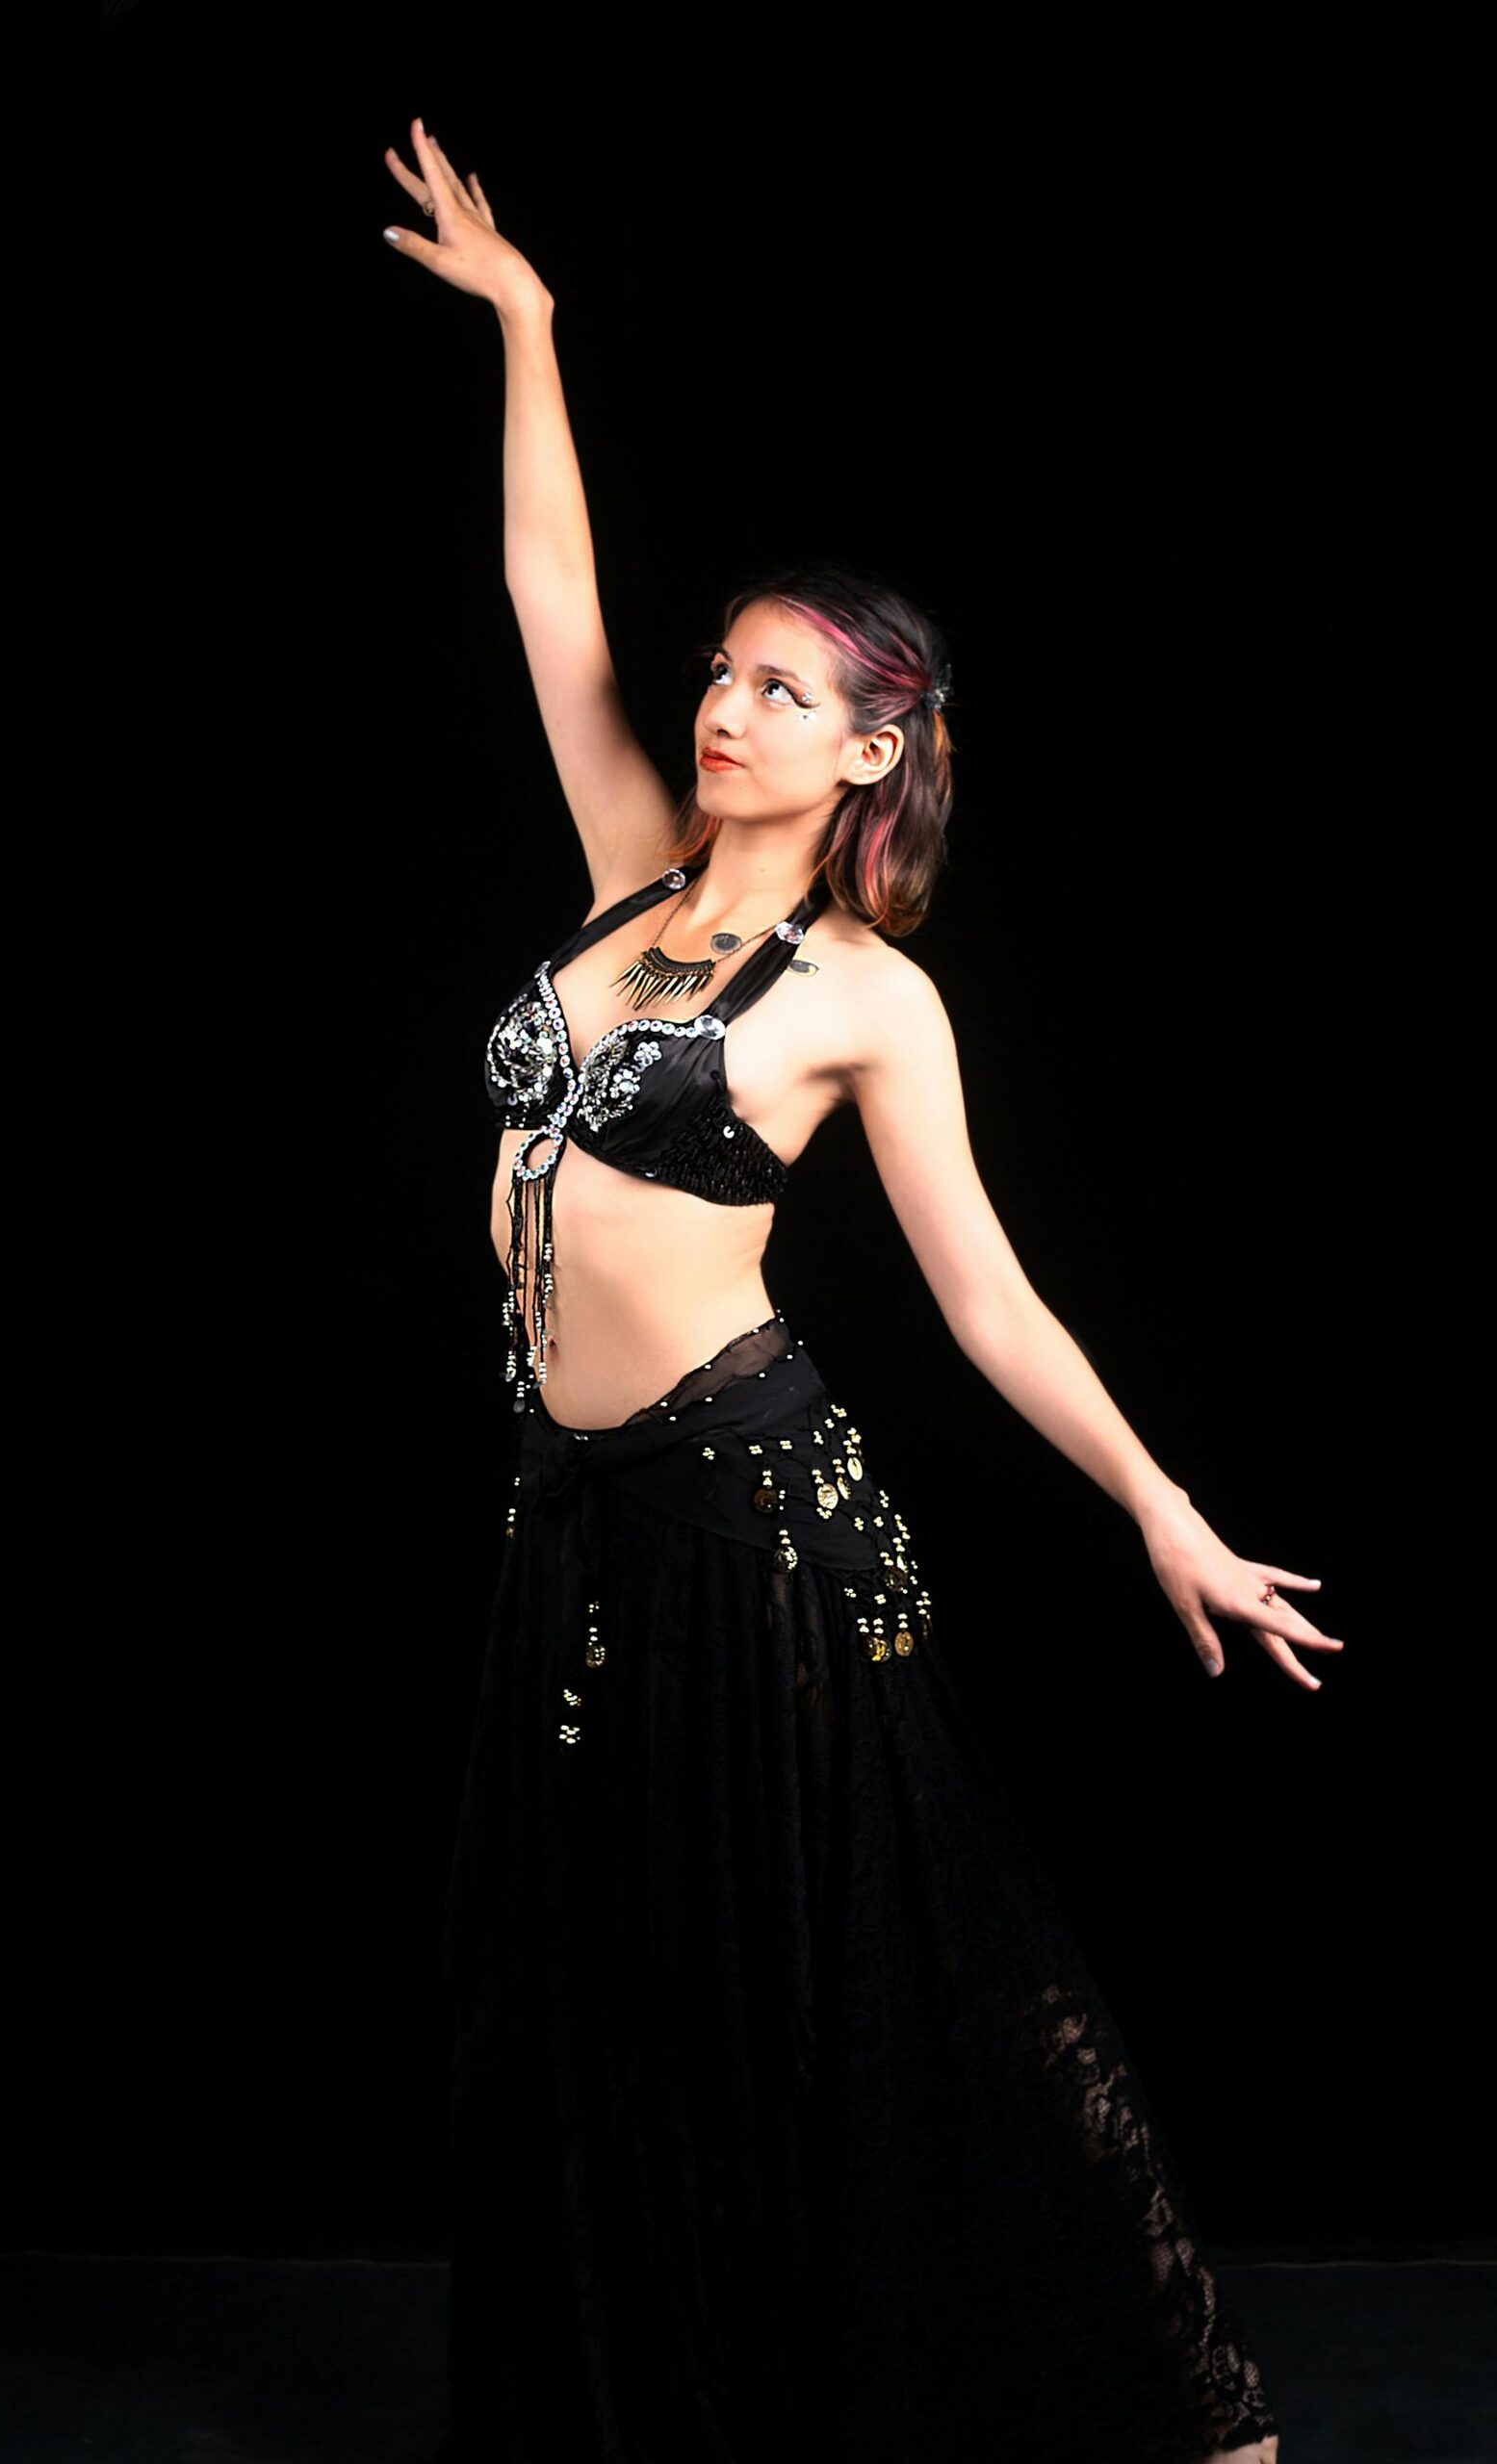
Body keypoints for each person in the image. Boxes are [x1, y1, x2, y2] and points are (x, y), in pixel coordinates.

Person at [383, 117, 1340, 2464]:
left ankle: (1165, 2399)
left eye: (783, 694)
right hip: (574, 1523)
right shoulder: (625, 879)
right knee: (601, 1990)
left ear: (876, 744)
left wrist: (1159, 1507)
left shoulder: (857, 998)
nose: (720, 711)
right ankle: (664, 2392)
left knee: (890, 1949)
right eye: (720, 674)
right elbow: (544, 596)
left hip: (751, 1526)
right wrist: (528, 330)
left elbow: (990, 1302)